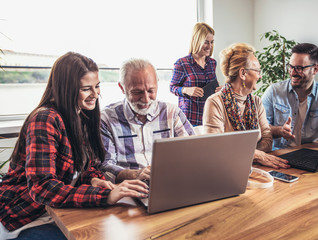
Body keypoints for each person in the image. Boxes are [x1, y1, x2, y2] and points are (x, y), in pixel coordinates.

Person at [0, 52, 148, 240]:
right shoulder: (45, 119)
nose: (96, 94)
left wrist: (94, 179)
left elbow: (88, 166)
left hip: (56, 210)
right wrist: (105, 197)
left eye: (97, 86)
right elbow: (42, 188)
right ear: (66, 89)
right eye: (87, 89)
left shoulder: (81, 115)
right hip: (26, 217)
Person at [100, 58, 195, 184]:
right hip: (129, 188)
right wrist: (135, 174)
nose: (145, 99)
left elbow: (194, 153)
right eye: (137, 92)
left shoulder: (172, 113)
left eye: (151, 91)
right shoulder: (106, 119)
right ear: (122, 88)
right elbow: (104, 166)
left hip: (172, 184)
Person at [203, 43, 289, 169]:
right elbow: (215, 147)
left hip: (257, 168)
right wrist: (256, 155)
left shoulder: (256, 102)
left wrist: (249, 155)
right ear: (243, 73)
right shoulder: (215, 102)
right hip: (226, 170)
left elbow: (267, 139)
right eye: (258, 71)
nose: (260, 76)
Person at [262, 43, 318, 149]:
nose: (292, 72)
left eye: (299, 68)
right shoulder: (273, 91)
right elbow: (261, 129)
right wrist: (280, 130)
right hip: (279, 154)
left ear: (315, 69)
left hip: (310, 154)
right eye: (290, 67)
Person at [170, 22, 221, 126]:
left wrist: (218, 90)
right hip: (189, 119)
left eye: (212, 42)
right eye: (206, 42)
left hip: (209, 116)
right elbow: (172, 87)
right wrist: (185, 90)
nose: (210, 46)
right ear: (197, 41)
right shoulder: (182, 63)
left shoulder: (212, 63)